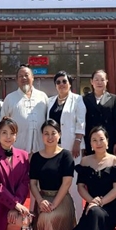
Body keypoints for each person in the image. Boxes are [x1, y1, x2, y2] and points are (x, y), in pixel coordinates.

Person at [72, 126, 116, 230]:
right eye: (94, 140)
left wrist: (99, 202)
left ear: (107, 141)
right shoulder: (85, 161)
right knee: (92, 216)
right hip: (91, 204)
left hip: (110, 206)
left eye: (101, 139)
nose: (98, 143)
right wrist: (92, 201)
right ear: (90, 143)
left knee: (94, 213)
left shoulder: (115, 161)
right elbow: (80, 187)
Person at [29, 119, 77, 230]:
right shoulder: (36, 157)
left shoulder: (66, 155)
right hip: (43, 198)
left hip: (61, 199)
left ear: (59, 135)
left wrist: (54, 204)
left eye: (53, 133)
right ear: (42, 135)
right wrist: (40, 201)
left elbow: (67, 183)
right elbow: (33, 184)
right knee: (44, 215)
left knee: (46, 217)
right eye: (46, 133)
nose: (50, 137)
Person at [46, 71, 86, 220]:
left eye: (64, 81)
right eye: (58, 82)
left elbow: (81, 122)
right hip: (53, 148)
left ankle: (78, 220)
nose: (61, 84)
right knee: (56, 183)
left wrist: (77, 141)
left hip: (71, 147)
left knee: (73, 184)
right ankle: (60, 221)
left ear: (70, 84)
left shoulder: (77, 99)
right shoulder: (50, 101)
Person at [0, 65, 49, 153]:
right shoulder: (10, 98)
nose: (24, 78)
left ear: (32, 78)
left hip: (41, 149)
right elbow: (2, 124)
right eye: (20, 76)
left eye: (26, 75)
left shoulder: (42, 97)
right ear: (17, 80)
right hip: (17, 149)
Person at [82, 69, 116, 157]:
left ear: (107, 81)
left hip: (108, 139)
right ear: (91, 82)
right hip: (91, 139)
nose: (99, 82)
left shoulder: (114, 98)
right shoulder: (85, 99)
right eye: (96, 80)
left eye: (102, 80)